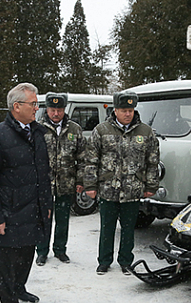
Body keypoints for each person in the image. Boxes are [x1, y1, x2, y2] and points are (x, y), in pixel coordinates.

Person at [0, 83, 52, 303]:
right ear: (16, 106)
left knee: (27, 253)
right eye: (33, 104)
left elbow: (44, 173)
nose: (37, 108)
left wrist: (47, 204)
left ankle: (20, 289)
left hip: (34, 207)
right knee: (7, 261)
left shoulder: (38, 133)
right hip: (9, 212)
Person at [84, 92, 160, 275]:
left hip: (132, 189)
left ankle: (126, 261)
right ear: (115, 110)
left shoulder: (145, 131)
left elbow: (153, 161)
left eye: (131, 110)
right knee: (107, 228)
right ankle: (104, 261)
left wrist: (151, 186)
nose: (128, 114)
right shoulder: (101, 130)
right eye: (124, 110)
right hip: (108, 189)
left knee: (128, 229)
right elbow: (91, 160)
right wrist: (90, 185)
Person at [35, 92, 86, 266]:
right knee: (43, 219)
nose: (56, 113)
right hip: (43, 185)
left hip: (66, 183)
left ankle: (60, 250)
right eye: (52, 109)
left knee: (63, 219)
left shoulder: (74, 129)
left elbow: (82, 157)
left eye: (59, 110)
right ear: (46, 109)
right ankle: (41, 251)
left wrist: (80, 181)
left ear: (64, 109)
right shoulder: (37, 129)